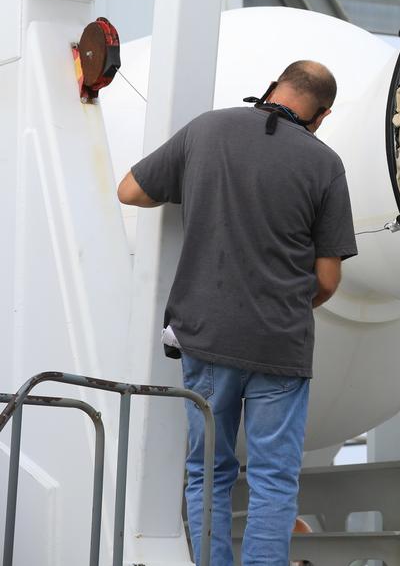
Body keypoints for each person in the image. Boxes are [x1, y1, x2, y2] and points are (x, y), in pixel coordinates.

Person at [117, 60, 357, 566]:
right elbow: (329, 279)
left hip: (206, 336)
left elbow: (130, 191)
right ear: (322, 115)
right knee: (273, 478)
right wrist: (288, 305)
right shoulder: (324, 164)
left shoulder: (208, 129)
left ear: (273, 86)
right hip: (281, 345)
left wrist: (199, 185)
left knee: (209, 470)